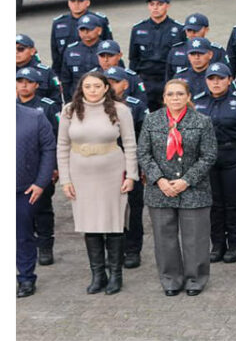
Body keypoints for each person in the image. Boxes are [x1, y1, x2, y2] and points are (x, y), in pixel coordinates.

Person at [56, 71, 139, 295]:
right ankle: (98, 274)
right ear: (81, 88)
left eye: (97, 86)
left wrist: (131, 175)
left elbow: (130, 144)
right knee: (89, 224)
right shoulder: (69, 110)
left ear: (105, 88)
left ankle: (116, 275)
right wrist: (65, 179)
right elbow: (62, 145)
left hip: (112, 172)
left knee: (113, 222)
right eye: (88, 86)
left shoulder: (121, 110)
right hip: (80, 174)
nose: (92, 90)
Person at [137, 80, 217, 296]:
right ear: (164, 98)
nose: (175, 98)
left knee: (195, 238)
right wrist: (159, 179)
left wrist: (187, 180)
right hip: (160, 189)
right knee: (165, 238)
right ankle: (170, 279)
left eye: (180, 94)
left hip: (193, 189)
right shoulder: (152, 120)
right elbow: (143, 153)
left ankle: (195, 279)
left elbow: (208, 155)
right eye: (170, 94)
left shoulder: (202, 121)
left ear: (188, 97)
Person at [193, 63, 236, 264]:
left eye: (220, 78)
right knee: (213, 204)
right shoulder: (197, 101)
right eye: (212, 78)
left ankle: (235, 245)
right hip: (207, 158)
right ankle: (217, 244)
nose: (216, 82)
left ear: (230, 80)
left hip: (233, 155)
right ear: (206, 81)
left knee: (233, 203)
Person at [102, 67, 149, 269]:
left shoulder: (135, 106)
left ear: (125, 84)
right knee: (107, 209)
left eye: (115, 81)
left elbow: (146, 138)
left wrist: (144, 166)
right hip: (104, 164)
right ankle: (114, 251)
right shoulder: (94, 106)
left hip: (130, 161)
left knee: (134, 208)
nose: (111, 85)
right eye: (108, 81)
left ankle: (132, 250)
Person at [16, 67, 61, 268]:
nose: (23, 85)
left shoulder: (47, 107)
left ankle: (45, 245)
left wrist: (55, 166)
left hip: (41, 168)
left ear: (36, 85)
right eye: (20, 81)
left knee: (42, 209)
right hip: (21, 169)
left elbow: (57, 138)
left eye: (28, 81)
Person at [16, 105, 57, 298]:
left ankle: (25, 278)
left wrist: (41, 183)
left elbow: (49, 149)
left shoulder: (34, 117)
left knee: (23, 235)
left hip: (23, 189)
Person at [129, 0, 187, 110]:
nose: (155, 8)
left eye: (159, 4)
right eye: (152, 4)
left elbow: (182, 58)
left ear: (167, 6)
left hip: (167, 80)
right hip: (145, 79)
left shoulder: (178, 29)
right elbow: (133, 59)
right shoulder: (138, 29)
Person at [50, 0, 113, 74]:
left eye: (80, 1)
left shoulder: (100, 20)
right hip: (70, 70)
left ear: (87, 2)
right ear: (68, 3)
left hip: (96, 69)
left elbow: (109, 46)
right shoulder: (59, 23)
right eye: (73, 1)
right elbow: (56, 54)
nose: (76, 4)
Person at [166, 13, 228, 80]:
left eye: (196, 30)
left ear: (206, 30)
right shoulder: (176, 50)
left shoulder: (217, 51)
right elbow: (169, 76)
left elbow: (226, 75)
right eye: (189, 30)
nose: (192, 34)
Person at [59, 13, 108, 95]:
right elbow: (66, 80)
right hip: (78, 97)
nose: (86, 33)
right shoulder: (70, 50)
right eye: (82, 30)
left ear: (99, 30)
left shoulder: (108, 49)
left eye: (89, 29)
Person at [16, 34, 62, 104]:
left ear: (32, 51)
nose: (16, 52)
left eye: (20, 49)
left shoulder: (46, 72)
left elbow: (56, 101)